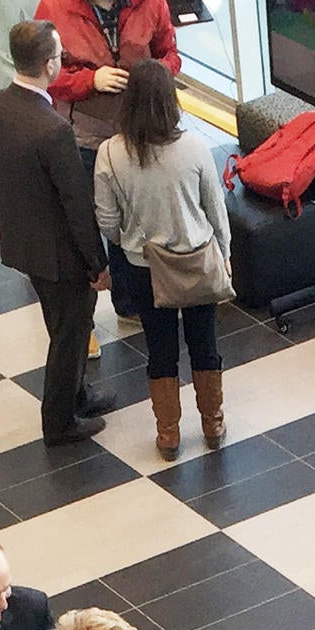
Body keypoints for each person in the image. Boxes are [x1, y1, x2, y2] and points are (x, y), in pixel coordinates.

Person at [0, 17, 109, 449]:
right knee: (70, 333)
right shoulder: (53, 130)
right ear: (50, 65)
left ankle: (78, 394)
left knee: (60, 324)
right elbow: (76, 205)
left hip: (21, 238)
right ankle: (60, 421)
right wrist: (97, 263)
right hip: (59, 251)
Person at [93, 62, 231, 460]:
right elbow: (215, 210)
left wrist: (130, 243)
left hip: (144, 268)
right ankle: (213, 423)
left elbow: (106, 218)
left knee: (160, 350)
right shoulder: (194, 147)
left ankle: (169, 434)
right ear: (171, 101)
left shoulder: (110, 153)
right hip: (196, 262)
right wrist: (225, 253)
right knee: (205, 345)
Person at [37, 0, 184, 157]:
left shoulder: (151, 1)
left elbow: (170, 56)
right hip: (85, 137)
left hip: (145, 128)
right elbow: (44, 75)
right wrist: (91, 80)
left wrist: (150, 77)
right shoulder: (54, 6)